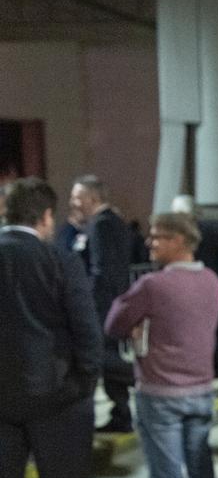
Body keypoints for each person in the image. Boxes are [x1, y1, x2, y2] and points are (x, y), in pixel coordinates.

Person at [0, 178, 111, 478]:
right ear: (45, 217)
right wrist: (84, 383)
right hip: (58, 397)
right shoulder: (58, 260)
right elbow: (87, 329)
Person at [103, 213, 218, 478]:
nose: (151, 244)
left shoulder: (153, 286)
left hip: (160, 392)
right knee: (201, 473)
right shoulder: (211, 281)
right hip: (201, 388)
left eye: (158, 238)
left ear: (179, 241)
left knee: (168, 476)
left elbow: (114, 323)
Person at [71, 175, 136, 433]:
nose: (73, 203)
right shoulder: (115, 222)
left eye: (77, 197)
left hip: (102, 306)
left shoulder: (100, 225)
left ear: (92, 198)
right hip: (113, 302)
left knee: (103, 360)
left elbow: (101, 271)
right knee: (107, 359)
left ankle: (135, 380)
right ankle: (121, 413)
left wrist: (87, 303)